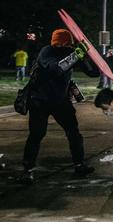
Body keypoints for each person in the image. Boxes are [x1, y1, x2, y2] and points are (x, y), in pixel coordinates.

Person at [20, 29, 98, 184]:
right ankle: (27, 170)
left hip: (60, 101)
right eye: (65, 43)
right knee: (37, 134)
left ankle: (79, 164)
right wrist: (76, 55)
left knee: (73, 133)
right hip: (40, 100)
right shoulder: (47, 52)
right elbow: (55, 69)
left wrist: (89, 55)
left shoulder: (72, 53)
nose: (67, 46)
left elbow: (93, 73)